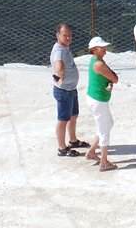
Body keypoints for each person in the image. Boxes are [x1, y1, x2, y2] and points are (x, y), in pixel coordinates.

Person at [50, 22, 88, 157]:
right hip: (64, 91)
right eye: (64, 35)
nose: (68, 38)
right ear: (57, 36)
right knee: (63, 119)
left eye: (70, 35)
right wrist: (59, 80)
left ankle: (73, 141)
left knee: (73, 116)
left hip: (71, 89)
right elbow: (58, 66)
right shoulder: (58, 51)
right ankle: (62, 148)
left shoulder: (64, 47)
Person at [85, 36, 119, 171]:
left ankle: (92, 152)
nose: (105, 49)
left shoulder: (96, 60)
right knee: (105, 130)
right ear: (94, 49)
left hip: (96, 98)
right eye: (102, 47)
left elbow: (109, 78)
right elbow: (115, 78)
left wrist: (109, 82)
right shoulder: (99, 64)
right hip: (98, 101)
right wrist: (111, 81)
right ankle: (104, 162)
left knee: (108, 124)